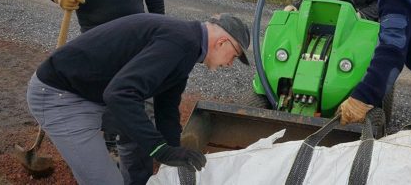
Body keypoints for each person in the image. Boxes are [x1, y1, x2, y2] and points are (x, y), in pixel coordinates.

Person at [26, 12, 250, 185]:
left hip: (93, 92)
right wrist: (161, 150)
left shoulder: (187, 44)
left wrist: (173, 152)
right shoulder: (180, 42)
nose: (230, 64)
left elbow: (167, 106)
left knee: (137, 140)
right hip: (60, 97)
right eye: (235, 56)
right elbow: (120, 94)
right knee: (105, 181)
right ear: (222, 42)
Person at [38, 0, 164, 182]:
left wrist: (160, 25)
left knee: (137, 106)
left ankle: (135, 175)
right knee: (107, 98)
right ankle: (107, 146)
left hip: (138, 37)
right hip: (97, 39)